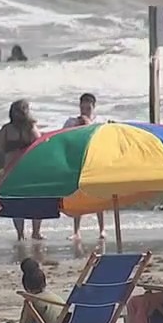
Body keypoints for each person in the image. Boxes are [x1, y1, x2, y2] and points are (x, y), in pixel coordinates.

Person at [0, 99, 44, 241]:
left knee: (17, 203)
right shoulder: (31, 128)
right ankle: (34, 232)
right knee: (34, 201)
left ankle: (21, 234)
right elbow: (40, 144)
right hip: (29, 168)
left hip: (13, 170)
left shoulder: (7, 129)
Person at [63, 93, 106, 240]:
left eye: (88, 107)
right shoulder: (71, 121)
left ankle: (102, 230)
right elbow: (64, 138)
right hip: (78, 160)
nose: (85, 110)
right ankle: (76, 231)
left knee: (99, 195)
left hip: (95, 160)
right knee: (78, 195)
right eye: (82, 107)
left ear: (93, 107)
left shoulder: (100, 122)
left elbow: (104, 139)